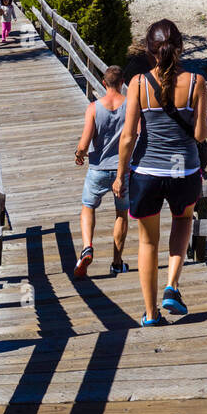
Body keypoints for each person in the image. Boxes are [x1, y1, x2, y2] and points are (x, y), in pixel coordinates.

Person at [113, 21, 207, 326]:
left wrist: (119, 174)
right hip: (184, 170)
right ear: (179, 47)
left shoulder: (138, 84)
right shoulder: (196, 82)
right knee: (182, 220)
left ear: (150, 51)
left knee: (147, 242)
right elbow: (200, 135)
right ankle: (172, 286)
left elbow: (128, 136)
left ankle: (151, 313)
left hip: (147, 171)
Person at [74, 66, 131, 279]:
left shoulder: (94, 108)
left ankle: (87, 246)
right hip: (122, 170)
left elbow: (84, 141)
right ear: (122, 81)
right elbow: (138, 135)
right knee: (121, 213)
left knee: (88, 207)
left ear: (104, 83)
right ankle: (117, 263)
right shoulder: (130, 106)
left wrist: (79, 154)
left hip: (98, 168)